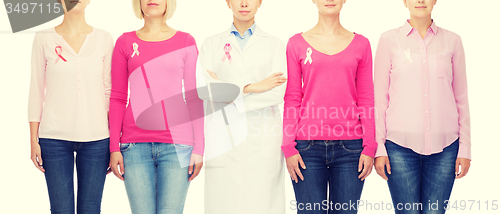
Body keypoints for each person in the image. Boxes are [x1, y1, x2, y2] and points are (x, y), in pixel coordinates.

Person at [374, 0, 471, 213]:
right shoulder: (388, 40)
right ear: (405, 1)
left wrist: (465, 148)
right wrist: (378, 147)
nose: (420, 1)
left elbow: (461, 97)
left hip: (446, 148)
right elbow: (379, 99)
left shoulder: (452, 41)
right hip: (398, 147)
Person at [108, 0, 204, 213]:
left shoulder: (186, 41)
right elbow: (117, 97)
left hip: (178, 146)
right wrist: (114, 147)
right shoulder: (125, 42)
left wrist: (199, 148)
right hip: (134, 147)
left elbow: (194, 97)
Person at [282, 0, 376, 213]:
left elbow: (366, 98)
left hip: (351, 149)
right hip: (306, 148)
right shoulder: (296, 43)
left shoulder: (361, 44)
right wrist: (288, 146)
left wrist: (370, 145)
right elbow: (293, 97)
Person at [197, 0, 287, 213]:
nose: (244, 3)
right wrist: (252, 87)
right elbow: (206, 90)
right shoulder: (211, 44)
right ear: (228, 2)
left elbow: (277, 93)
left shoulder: (275, 44)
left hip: (263, 135)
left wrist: (229, 95)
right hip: (223, 138)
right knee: (224, 203)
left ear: (260, 2)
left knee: (264, 202)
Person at [28, 0, 113, 213]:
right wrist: (33, 140)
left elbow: (109, 92)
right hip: (53, 139)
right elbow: (36, 91)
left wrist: (114, 144)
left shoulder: (103, 39)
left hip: (97, 140)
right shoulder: (43, 39)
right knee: (61, 209)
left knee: (91, 209)